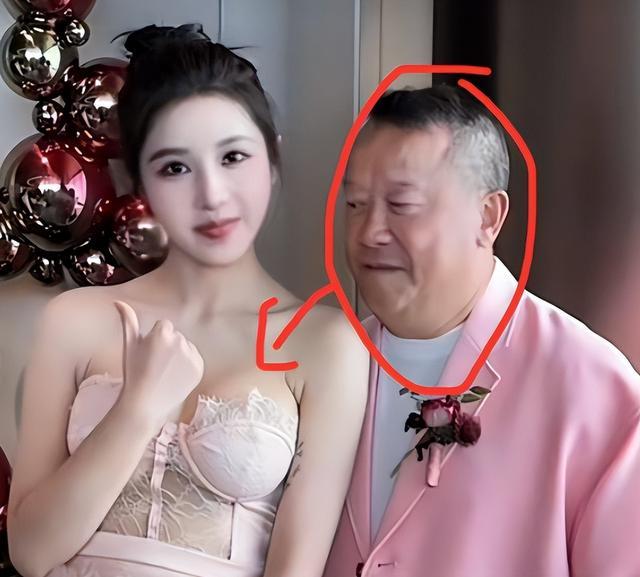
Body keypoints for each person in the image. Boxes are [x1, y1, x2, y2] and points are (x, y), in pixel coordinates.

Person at [7, 24, 369, 577]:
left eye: (233, 157)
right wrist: (137, 409)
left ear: (272, 157)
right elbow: (31, 553)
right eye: (175, 167)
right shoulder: (74, 321)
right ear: (140, 184)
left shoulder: (325, 342)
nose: (212, 196)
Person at [323, 85, 640, 577]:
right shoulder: (325, 365)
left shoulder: (592, 386)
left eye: (401, 204)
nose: (369, 233)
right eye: (355, 205)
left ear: (488, 217)